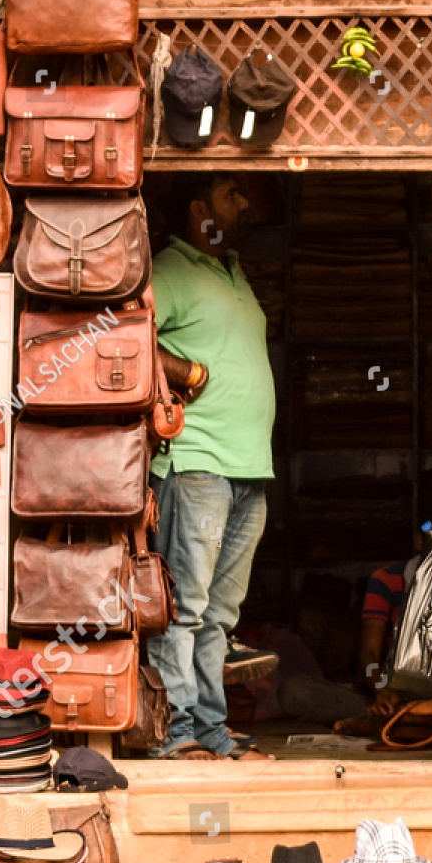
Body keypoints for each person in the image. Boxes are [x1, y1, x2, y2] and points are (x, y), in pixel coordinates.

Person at [149, 175, 278, 761]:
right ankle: (176, 731)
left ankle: (211, 729)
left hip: (250, 470)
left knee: (220, 616)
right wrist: (184, 373)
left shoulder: (234, 272)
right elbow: (127, 338)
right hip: (197, 462)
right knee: (186, 608)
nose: (244, 202)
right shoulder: (171, 270)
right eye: (233, 193)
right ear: (199, 209)